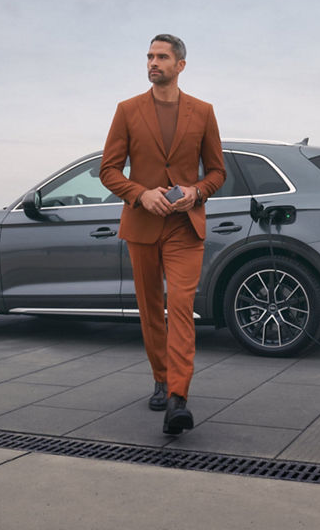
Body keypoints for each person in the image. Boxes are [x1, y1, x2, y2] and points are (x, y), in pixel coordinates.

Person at [100, 34, 226, 435]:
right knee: (152, 309)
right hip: (142, 224)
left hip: (185, 227)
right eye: (150, 56)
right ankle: (160, 377)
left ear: (180, 65)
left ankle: (178, 397)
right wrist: (140, 194)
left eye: (162, 57)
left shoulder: (203, 112)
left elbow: (218, 172)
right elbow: (109, 170)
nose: (153, 62)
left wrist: (196, 191)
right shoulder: (127, 110)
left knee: (182, 307)